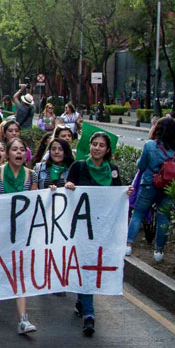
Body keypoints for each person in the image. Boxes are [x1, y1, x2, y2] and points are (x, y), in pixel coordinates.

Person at [66, 132, 134, 336]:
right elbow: (67, 191)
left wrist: (126, 193)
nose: (96, 148)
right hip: (81, 228)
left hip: (103, 229)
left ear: (107, 149)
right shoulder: (78, 167)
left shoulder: (112, 170)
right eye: (94, 144)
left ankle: (81, 299)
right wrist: (69, 187)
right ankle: (89, 315)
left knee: (91, 266)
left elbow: (116, 194)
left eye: (101, 145)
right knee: (85, 265)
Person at [0, 138, 38, 334]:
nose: (18, 153)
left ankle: (23, 319)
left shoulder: (32, 175)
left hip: (20, 233)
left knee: (20, 273)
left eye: (22, 150)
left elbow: (33, 203)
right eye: (14, 149)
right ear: (7, 153)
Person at [126, 117, 175, 262]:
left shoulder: (150, 145)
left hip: (149, 184)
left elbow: (141, 165)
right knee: (163, 218)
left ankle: (128, 245)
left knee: (138, 214)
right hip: (169, 187)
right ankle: (158, 252)